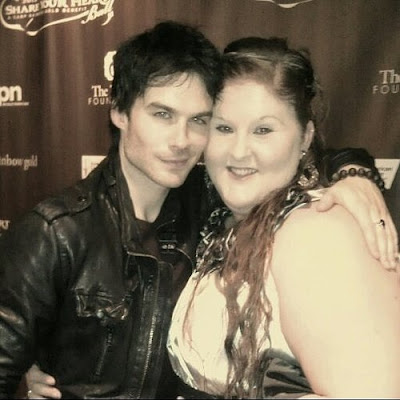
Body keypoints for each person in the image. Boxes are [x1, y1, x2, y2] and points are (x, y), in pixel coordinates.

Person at [2, 23, 395, 399]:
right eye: (162, 114)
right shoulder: (57, 232)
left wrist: (354, 173)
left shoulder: (226, 207)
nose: (181, 140)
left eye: (199, 121)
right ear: (119, 112)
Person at [165, 37, 400, 398]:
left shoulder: (318, 232)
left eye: (263, 130)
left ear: (305, 137)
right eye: (223, 128)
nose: (239, 151)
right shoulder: (221, 219)